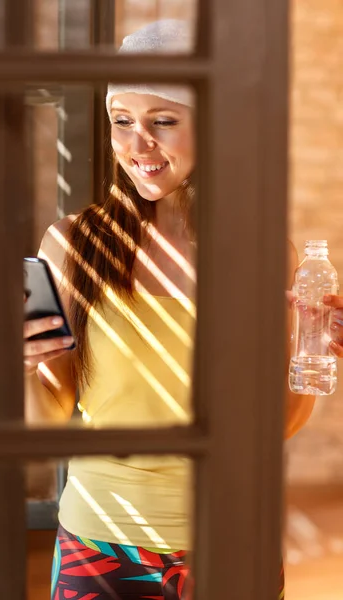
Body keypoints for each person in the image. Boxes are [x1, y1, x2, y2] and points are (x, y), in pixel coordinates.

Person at [23, 19, 343, 600]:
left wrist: (311, 351)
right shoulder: (74, 245)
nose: (136, 144)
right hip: (100, 542)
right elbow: (45, 415)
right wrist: (25, 365)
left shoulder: (261, 250)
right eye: (122, 122)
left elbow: (274, 426)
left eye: (163, 122)